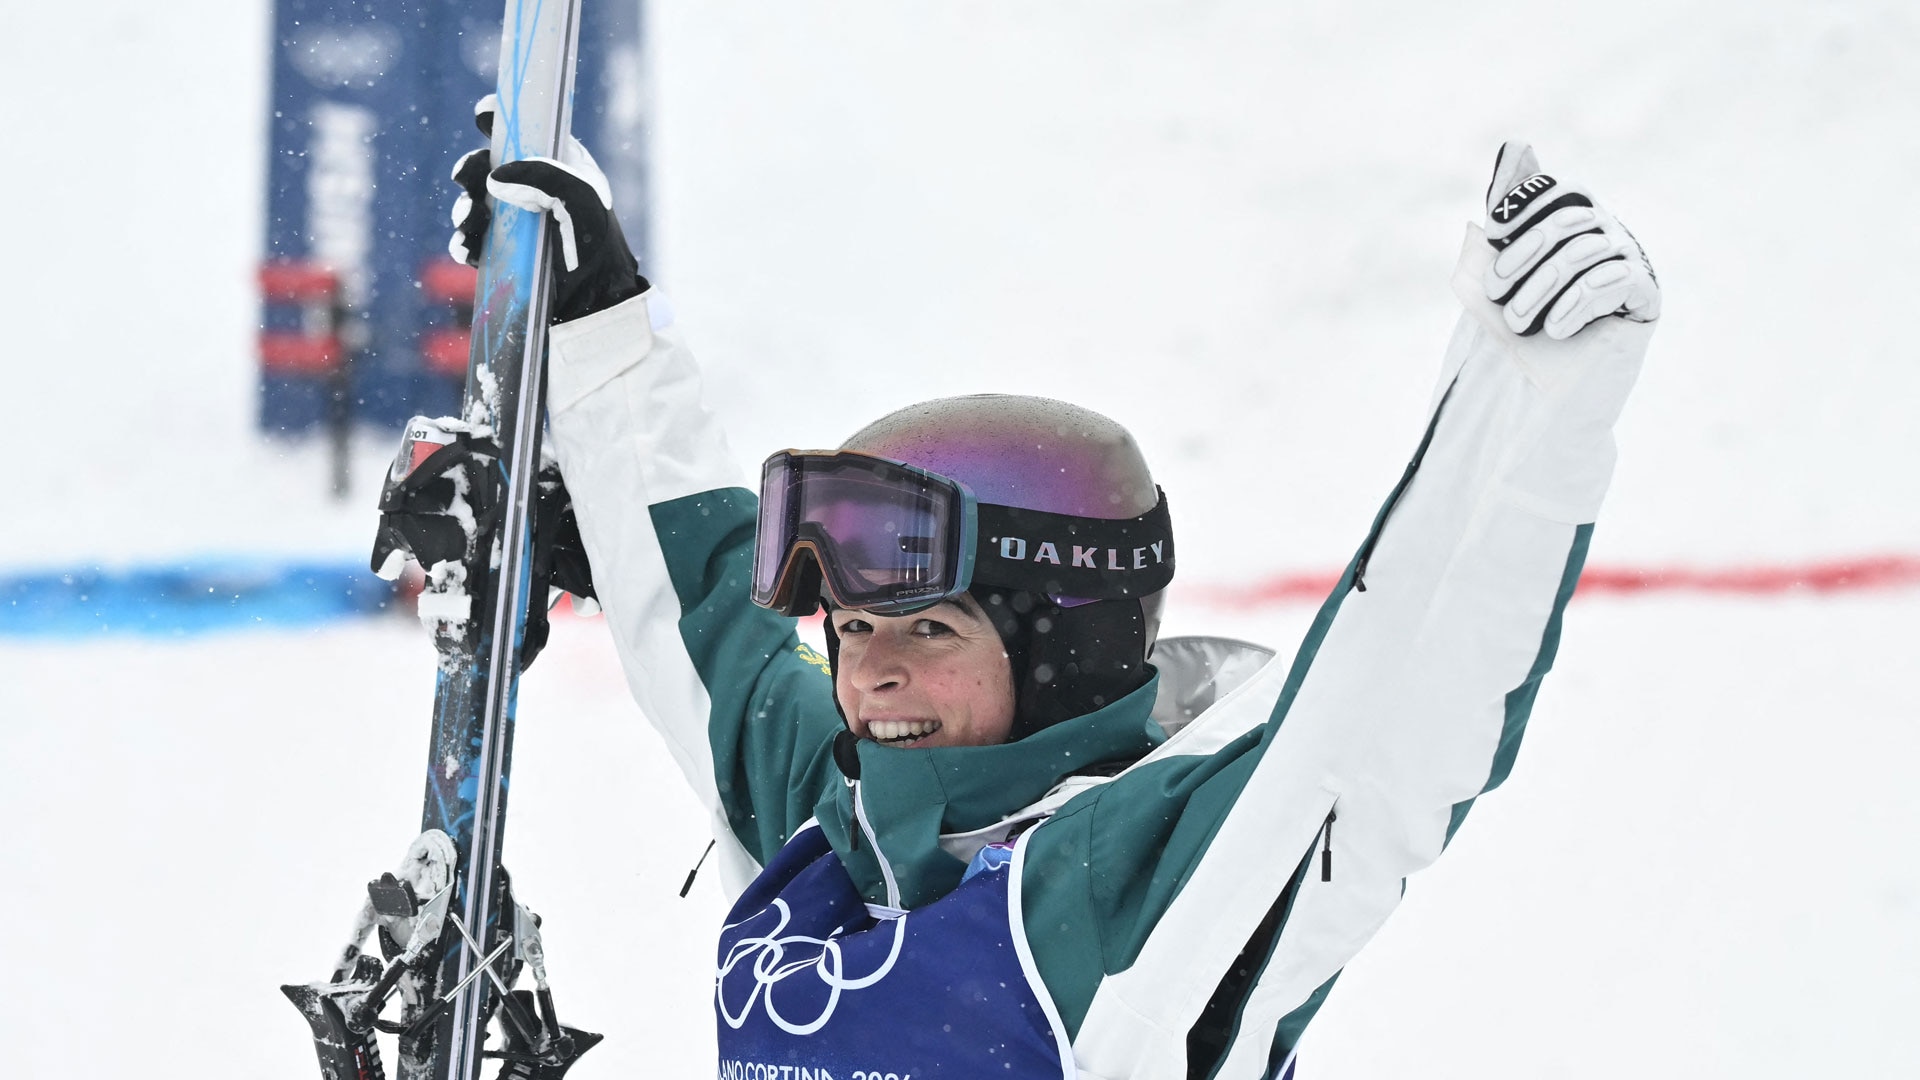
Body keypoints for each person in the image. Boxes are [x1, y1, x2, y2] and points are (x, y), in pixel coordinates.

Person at [446, 104, 1659, 1079]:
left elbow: (1398, 722)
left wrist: (1532, 396)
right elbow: (712, 621)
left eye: (927, 626)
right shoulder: (844, 828)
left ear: (1062, 650)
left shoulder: (1129, 900)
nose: (870, 670)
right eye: (854, 627)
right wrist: (598, 343)